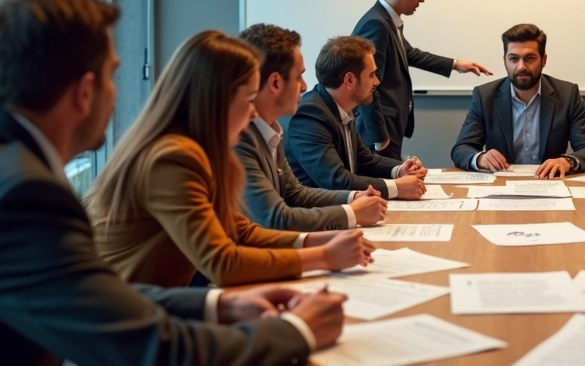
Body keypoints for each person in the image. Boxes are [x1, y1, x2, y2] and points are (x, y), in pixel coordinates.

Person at [0, 0, 347, 366]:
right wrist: (297, 331)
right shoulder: (21, 198)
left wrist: (218, 304)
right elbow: (163, 362)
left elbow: (90, 290)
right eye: (113, 76)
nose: (118, 93)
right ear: (84, 91)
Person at [86, 30, 375, 289]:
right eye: (248, 100)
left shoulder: (201, 148)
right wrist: (323, 256)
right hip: (130, 322)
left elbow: (240, 230)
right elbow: (222, 264)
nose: (252, 114)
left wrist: (315, 241)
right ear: (216, 99)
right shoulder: (172, 156)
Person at [237, 24, 388, 231]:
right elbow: (275, 218)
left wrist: (354, 197)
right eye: (299, 76)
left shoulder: (271, 129)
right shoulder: (238, 139)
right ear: (275, 82)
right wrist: (352, 213)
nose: (304, 86)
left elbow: (296, 193)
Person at [353, 0, 491, 159]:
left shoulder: (386, 20)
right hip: (380, 129)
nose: (422, 0)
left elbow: (409, 53)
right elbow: (369, 85)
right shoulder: (377, 25)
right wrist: (379, 137)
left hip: (388, 125)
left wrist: (455, 65)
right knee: (382, 185)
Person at [450, 24, 585, 178]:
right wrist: (481, 158)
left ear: (543, 60)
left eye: (530, 58)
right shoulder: (485, 96)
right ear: (505, 61)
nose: (521, 66)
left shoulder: (567, 95)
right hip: (501, 185)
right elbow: (461, 149)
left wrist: (567, 161)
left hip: (550, 182)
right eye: (513, 59)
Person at [286, 36, 428, 197]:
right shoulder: (310, 116)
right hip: (317, 216)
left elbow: (365, 161)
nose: (377, 81)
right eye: (371, 75)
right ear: (350, 80)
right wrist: (396, 187)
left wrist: (400, 169)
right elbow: (336, 181)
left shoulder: (339, 107)